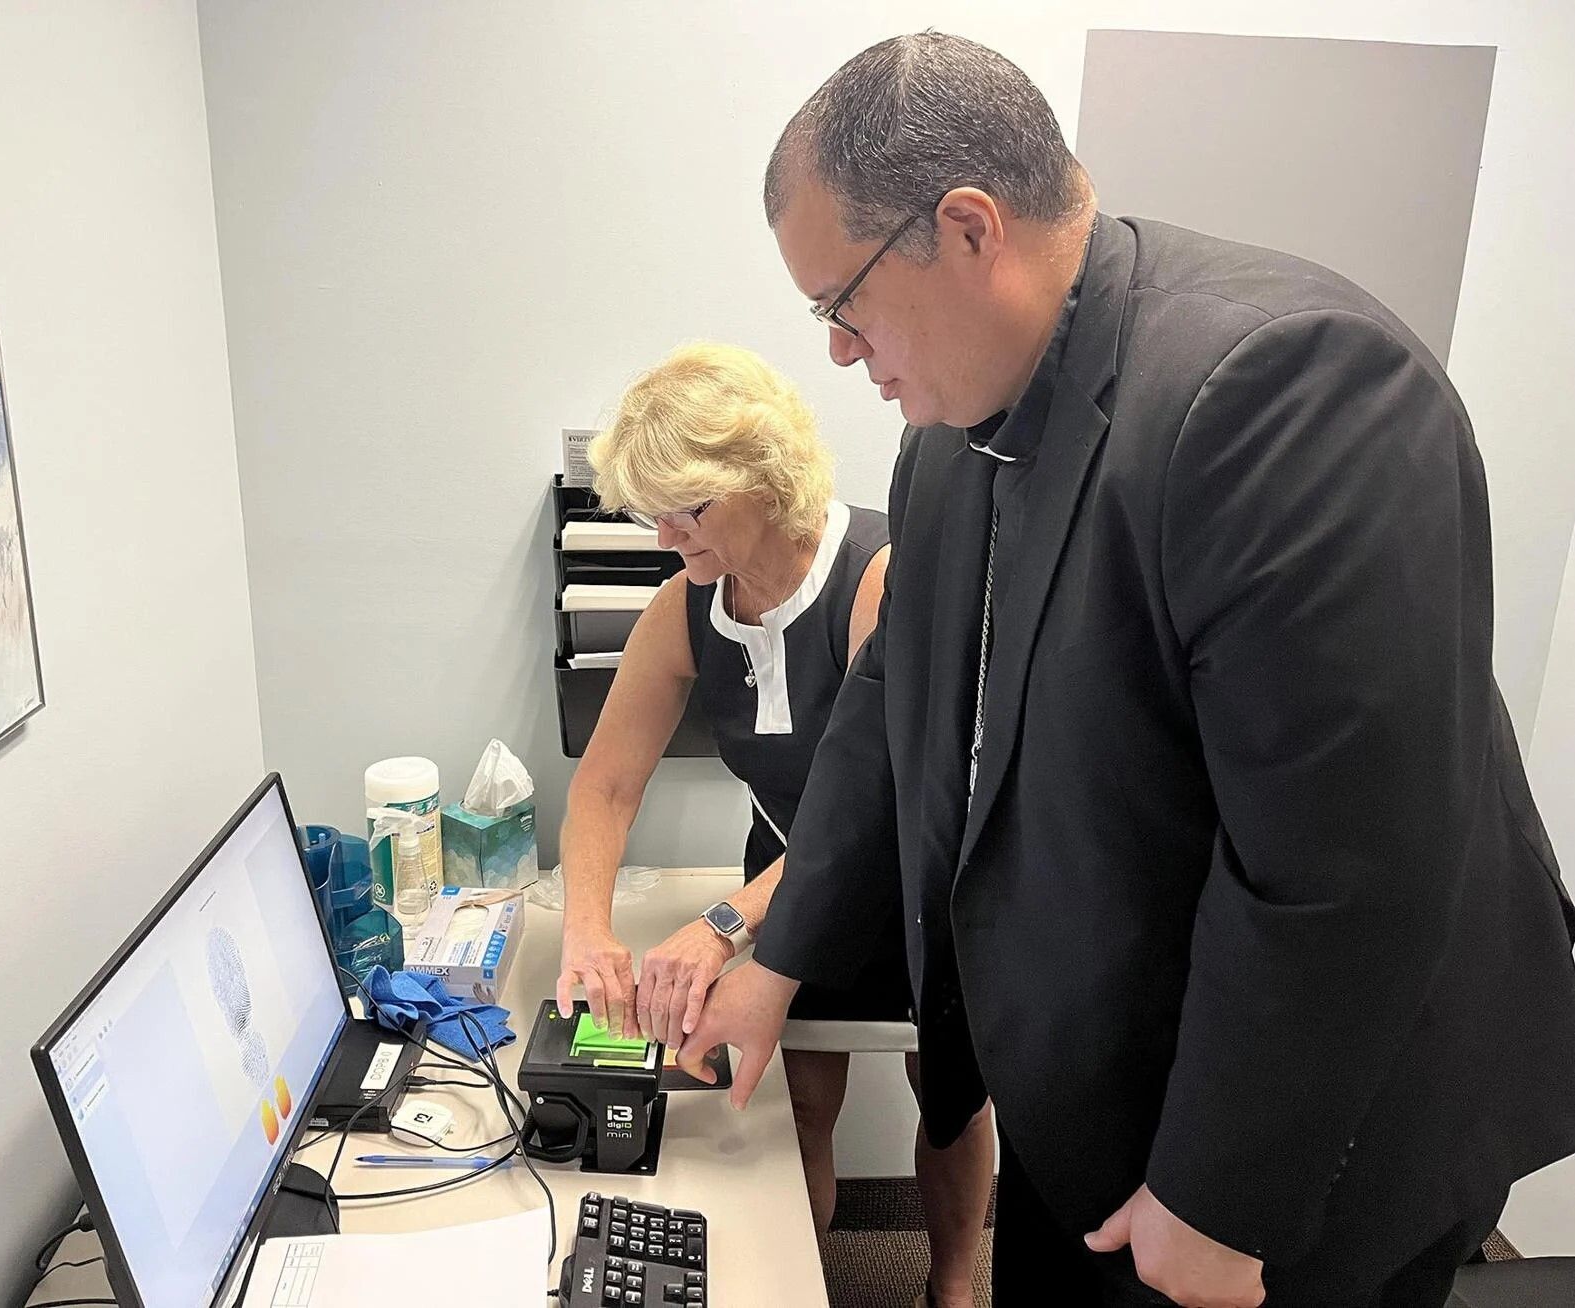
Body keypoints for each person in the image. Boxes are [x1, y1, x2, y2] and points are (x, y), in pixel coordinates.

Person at [676, 32, 1575, 1308]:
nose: (835, 349)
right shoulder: (947, 439)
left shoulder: (1285, 386)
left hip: (1295, 1150)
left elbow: (1343, 865)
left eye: (842, 302)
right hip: (1093, 1108)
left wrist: (1219, 1195)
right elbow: (890, 713)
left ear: (970, 228)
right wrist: (774, 960)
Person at [554, 342, 993, 1308]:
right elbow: (607, 787)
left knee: (948, 1095)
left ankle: (953, 1286)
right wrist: (586, 931)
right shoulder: (686, 606)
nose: (667, 537)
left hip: (918, 873)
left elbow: (874, 803)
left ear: (764, 477)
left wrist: (721, 926)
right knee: (798, 1100)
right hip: (787, 878)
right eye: (651, 514)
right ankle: (806, 1283)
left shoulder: (877, 576)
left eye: (689, 510)